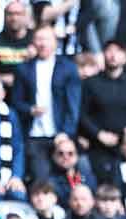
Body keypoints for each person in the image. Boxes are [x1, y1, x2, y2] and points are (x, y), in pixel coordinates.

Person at [10, 25, 82, 184]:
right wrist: (30, 109)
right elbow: (16, 102)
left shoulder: (68, 68)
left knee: (71, 180)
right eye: (39, 39)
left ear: (55, 42)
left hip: (60, 135)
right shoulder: (23, 69)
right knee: (41, 180)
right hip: (35, 135)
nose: (43, 44)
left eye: (47, 39)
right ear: (33, 42)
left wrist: (66, 132)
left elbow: (73, 105)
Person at [79, 40, 126, 179]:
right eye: (109, 51)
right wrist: (98, 134)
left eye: (118, 51)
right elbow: (82, 114)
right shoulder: (90, 83)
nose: (113, 55)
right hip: (98, 145)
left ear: (125, 56)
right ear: (103, 55)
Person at [0, 0, 34, 92]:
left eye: (18, 14)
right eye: (10, 14)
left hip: (28, 90)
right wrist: (8, 79)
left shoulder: (33, 38)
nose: (14, 18)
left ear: (25, 16)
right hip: (2, 90)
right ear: (4, 16)